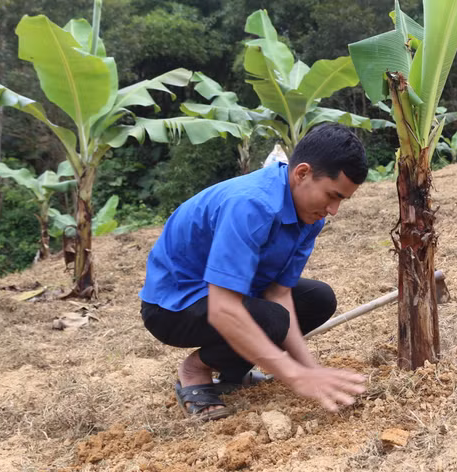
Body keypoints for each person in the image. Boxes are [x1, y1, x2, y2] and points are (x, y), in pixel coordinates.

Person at [139, 123, 369, 421]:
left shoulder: (311, 217)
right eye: (332, 195)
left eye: (342, 200)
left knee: (317, 299)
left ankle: (233, 374)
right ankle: (195, 370)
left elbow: (279, 292)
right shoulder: (251, 205)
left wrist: (310, 369)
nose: (334, 209)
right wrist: (293, 374)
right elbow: (224, 310)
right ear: (302, 174)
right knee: (272, 319)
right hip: (172, 306)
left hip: (229, 295)